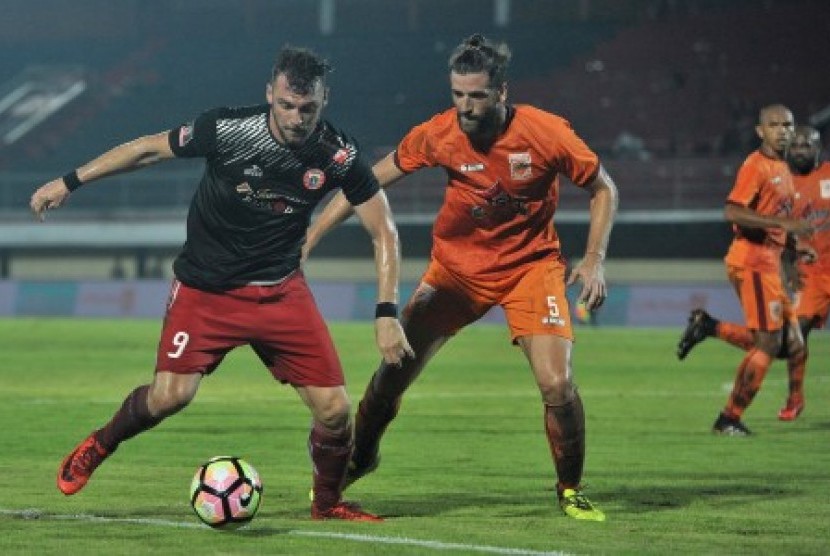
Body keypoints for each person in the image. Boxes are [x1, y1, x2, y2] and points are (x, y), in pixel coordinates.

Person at [29, 46, 413, 522]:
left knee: (335, 411)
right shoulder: (228, 130)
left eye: (308, 108)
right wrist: (70, 181)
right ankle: (100, 444)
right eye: (287, 105)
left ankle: (328, 502)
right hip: (205, 292)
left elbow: (384, 230)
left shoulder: (337, 155)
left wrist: (386, 311)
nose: (296, 118)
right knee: (171, 397)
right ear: (270, 94)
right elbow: (148, 149)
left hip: (280, 292)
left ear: (324, 101)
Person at [304, 34, 618, 522]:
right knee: (390, 378)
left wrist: (595, 257)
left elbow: (603, 188)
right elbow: (364, 182)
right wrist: (311, 235)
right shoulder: (439, 133)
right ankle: (362, 457)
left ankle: (570, 488)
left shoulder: (545, 133)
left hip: (530, 269)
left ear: (501, 92)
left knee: (557, 384)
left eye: (476, 95)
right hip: (455, 274)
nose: (465, 107)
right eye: (457, 94)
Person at [676, 105, 813, 435]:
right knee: (767, 345)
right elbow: (732, 212)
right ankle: (729, 418)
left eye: (787, 125)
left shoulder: (783, 167)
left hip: (771, 264)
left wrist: (793, 252)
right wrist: (781, 223)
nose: (782, 130)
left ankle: (709, 326)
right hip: (752, 262)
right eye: (774, 124)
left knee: (792, 345)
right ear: (760, 131)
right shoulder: (756, 166)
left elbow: (778, 223)